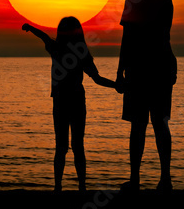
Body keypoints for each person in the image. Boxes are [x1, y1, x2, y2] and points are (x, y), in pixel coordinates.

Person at [21, 17, 117, 192]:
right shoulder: (81, 52)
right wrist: (117, 86)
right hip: (76, 101)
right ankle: (81, 187)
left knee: (62, 146)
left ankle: (59, 187)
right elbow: (97, 79)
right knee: (77, 145)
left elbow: (43, 37)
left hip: (61, 101)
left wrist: (30, 27)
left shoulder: (57, 48)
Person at [116, 0, 176, 192]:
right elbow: (128, 36)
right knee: (145, 125)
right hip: (155, 69)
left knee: (147, 124)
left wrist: (120, 70)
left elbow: (127, 37)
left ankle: (153, 179)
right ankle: (149, 179)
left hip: (145, 70)